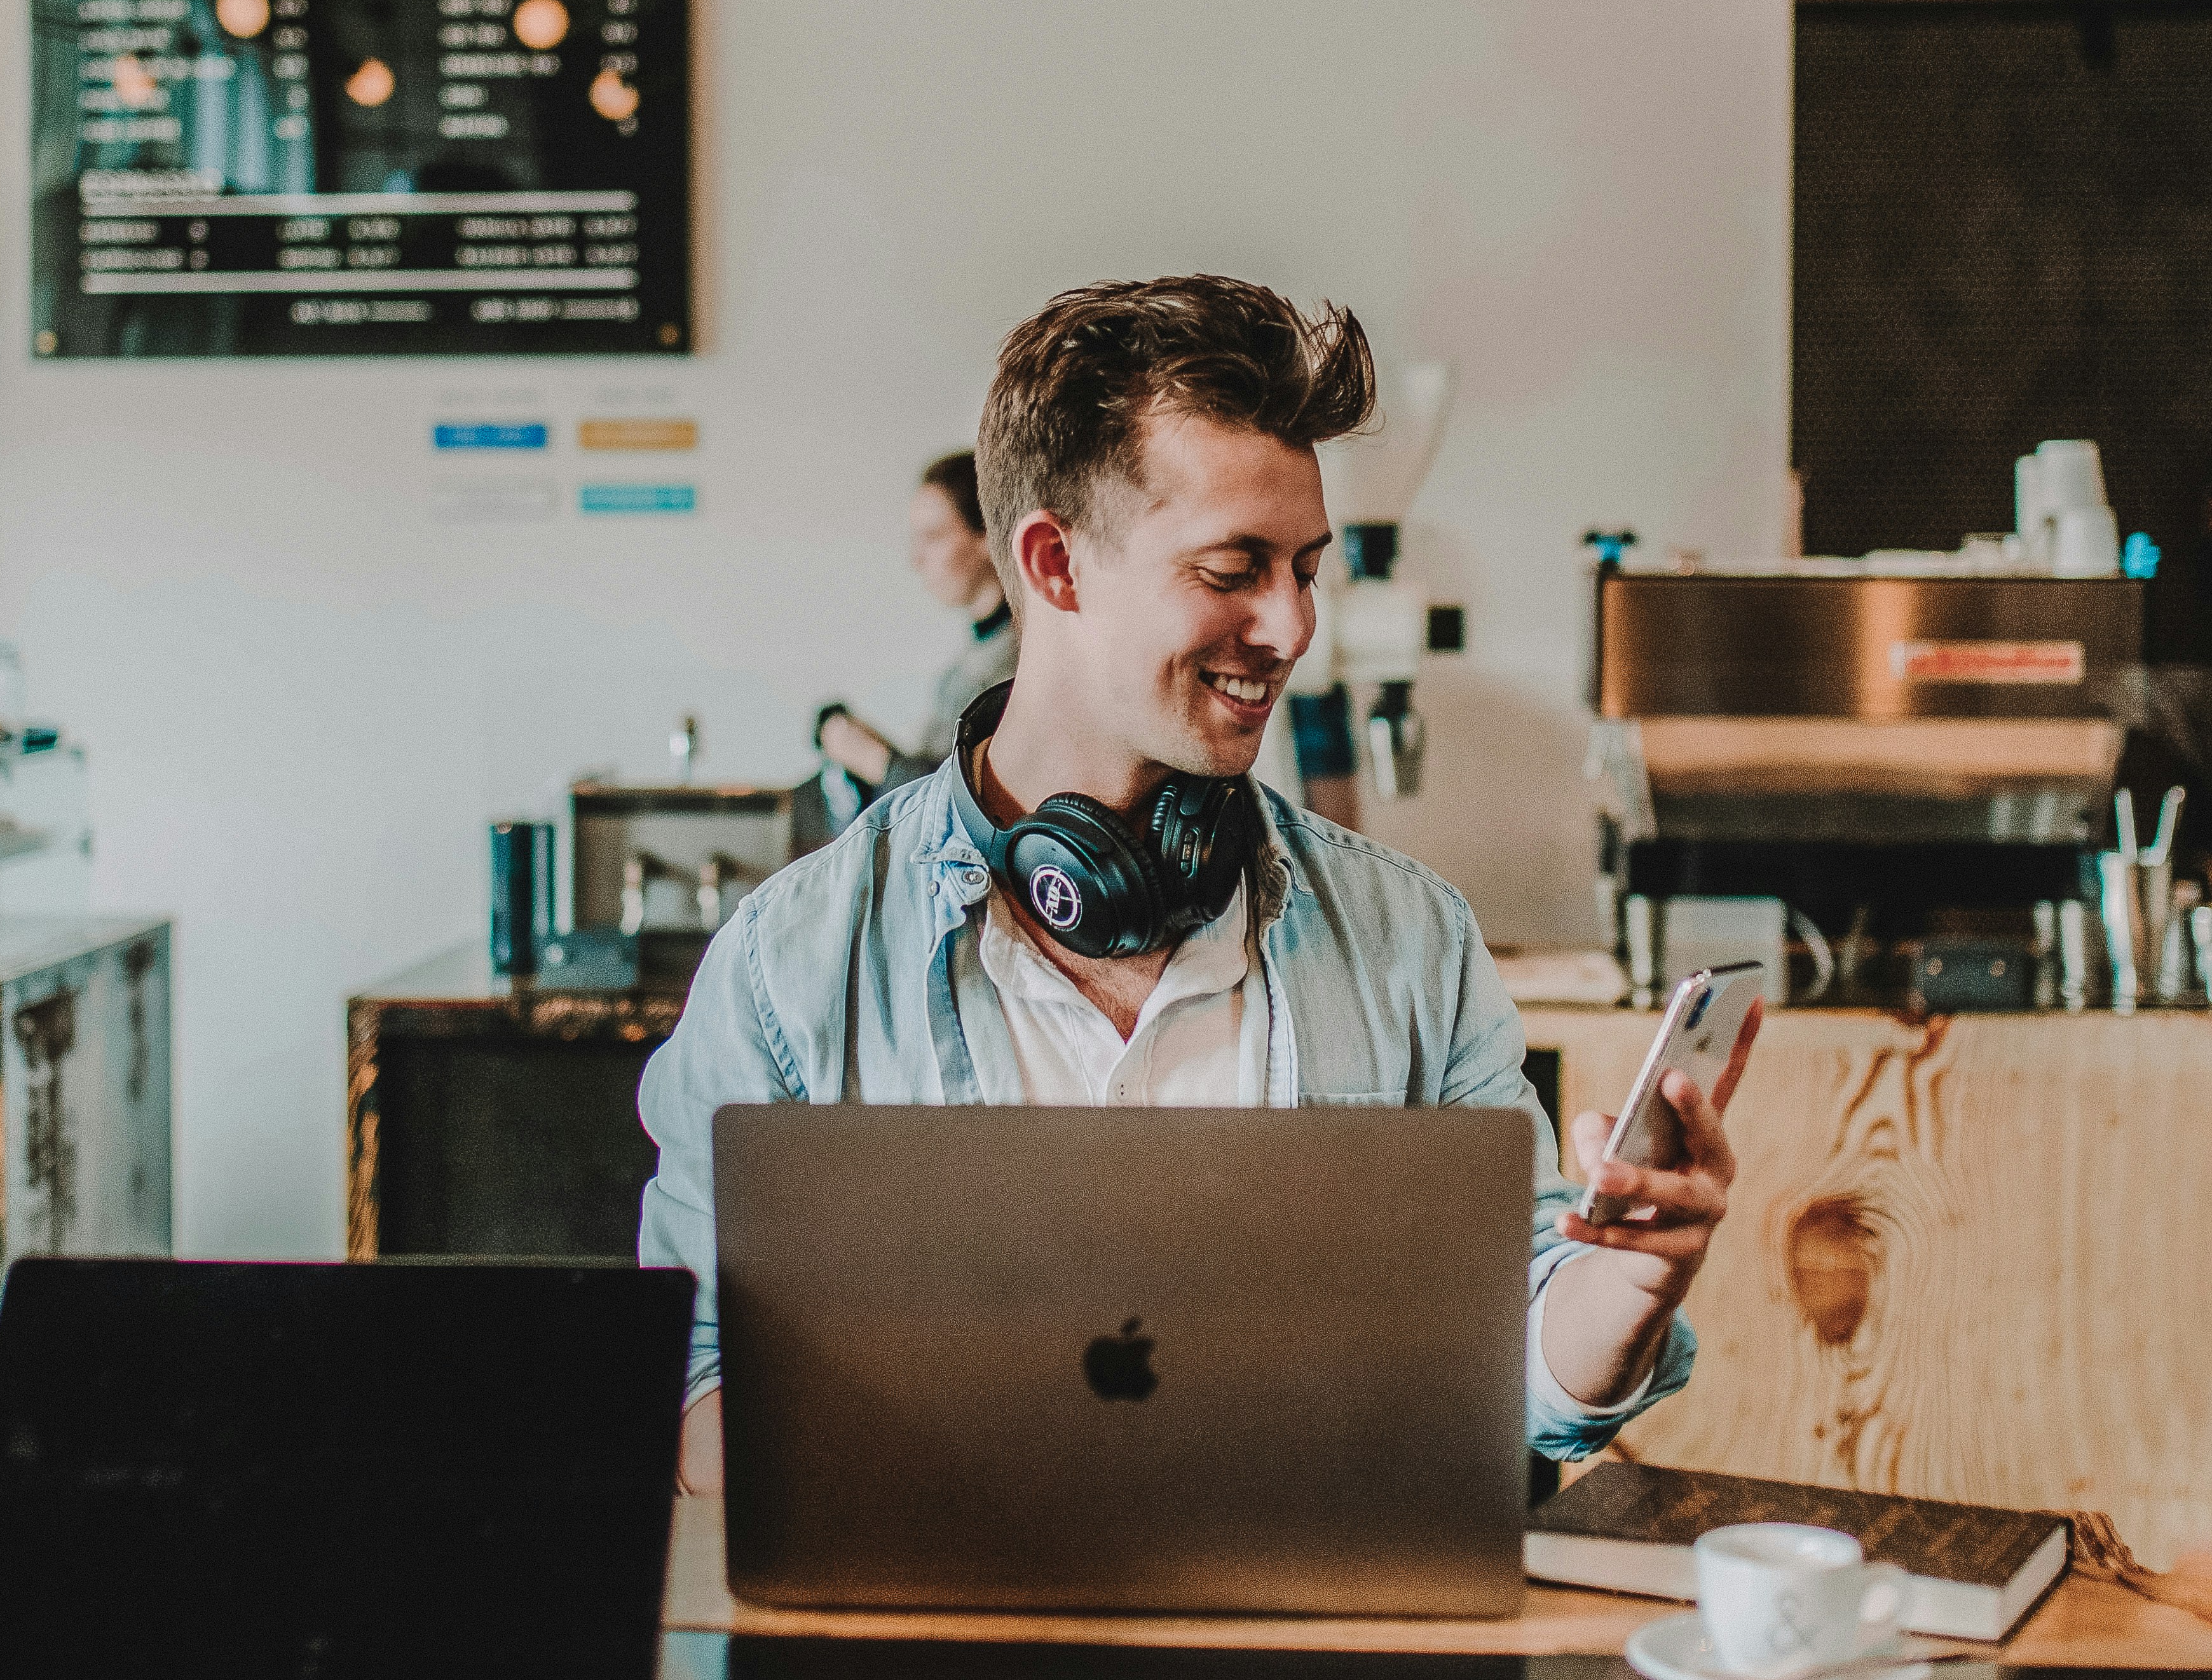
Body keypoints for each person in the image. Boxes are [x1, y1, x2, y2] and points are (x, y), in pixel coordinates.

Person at [639, 275, 1742, 1495]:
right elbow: (688, 1391)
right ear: (1054, 565)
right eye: (1231, 570)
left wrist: (1626, 1283)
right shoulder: (786, 968)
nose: (1289, 627)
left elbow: (1518, 1367)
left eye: (1304, 569)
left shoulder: (1409, 939)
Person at [816, 453, 1020, 796]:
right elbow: (936, 769)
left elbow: (964, 807)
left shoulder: (1021, 661)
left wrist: (871, 758)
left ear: (987, 536)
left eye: (934, 537)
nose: (917, 560)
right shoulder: (975, 655)